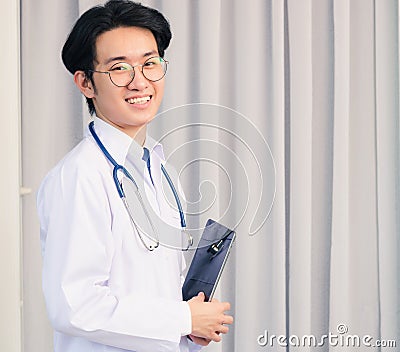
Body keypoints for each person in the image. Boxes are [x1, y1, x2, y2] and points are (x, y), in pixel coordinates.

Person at [36, 1, 233, 351]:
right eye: (119, 69)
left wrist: (187, 325)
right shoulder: (80, 176)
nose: (140, 81)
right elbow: (75, 306)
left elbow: (151, 285)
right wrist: (182, 319)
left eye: (149, 63)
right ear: (85, 83)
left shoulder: (158, 166)